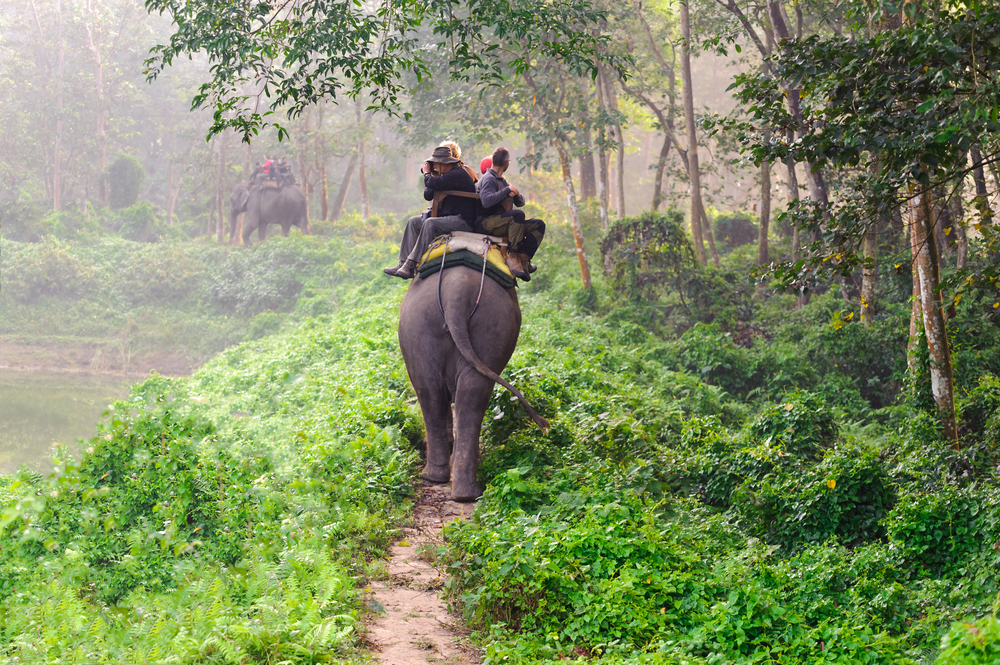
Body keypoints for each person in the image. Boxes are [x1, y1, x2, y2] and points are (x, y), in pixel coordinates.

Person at [384, 146, 478, 279]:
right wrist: (433, 174)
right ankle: (403, 262)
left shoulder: (458, 174)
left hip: (462, 221)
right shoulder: (444, 175)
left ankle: (412, 264)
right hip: (448, 218)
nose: (433, 166)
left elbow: (431, 183)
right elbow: (428, 194)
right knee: (413, 222)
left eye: (435, 164)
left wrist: (427, 174)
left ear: (444, 162)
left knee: (430, 223)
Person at [476, 146, 545, 281]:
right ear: (507, 162)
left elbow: (521, 202)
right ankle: (513, 257)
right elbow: (486, 201)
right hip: (486, 223)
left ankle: (524, 259)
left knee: (538, 225)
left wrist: (517, 194)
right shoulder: (489, 178)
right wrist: (506, 191)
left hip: (503, 222)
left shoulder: (502, 180)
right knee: (517, 215)